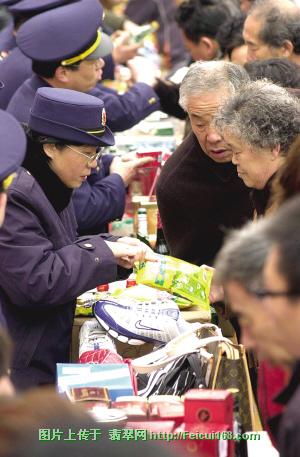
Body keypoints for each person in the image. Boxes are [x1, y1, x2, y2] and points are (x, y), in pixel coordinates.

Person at [0, 87, 157, 391]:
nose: (95, 164)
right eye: (88, 152)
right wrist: (104, 251)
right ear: (50, 147)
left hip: (43, 347)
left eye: (98, 152)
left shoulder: (52, 178)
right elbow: (37, 280)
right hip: (24, 363)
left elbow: (60, 247)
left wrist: (113, 247)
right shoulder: (20, 193)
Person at [6, 0, 161, 132]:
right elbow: (117, 114)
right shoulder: (46, 104)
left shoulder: (51, 77)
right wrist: (145, 82)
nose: (102, 63)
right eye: (93, 60)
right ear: (63, 73)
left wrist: (109, 163)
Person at [156, 61, 253, 267]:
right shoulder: (177, 183)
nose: (213, 136)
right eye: (199, 123)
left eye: (222, 120)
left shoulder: (284, 130)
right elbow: (190, 270)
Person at [214, 80, 300, 216]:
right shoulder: (267, 194)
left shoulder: (290, 209)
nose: (234, 161)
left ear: (273, 148)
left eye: (237, 151)